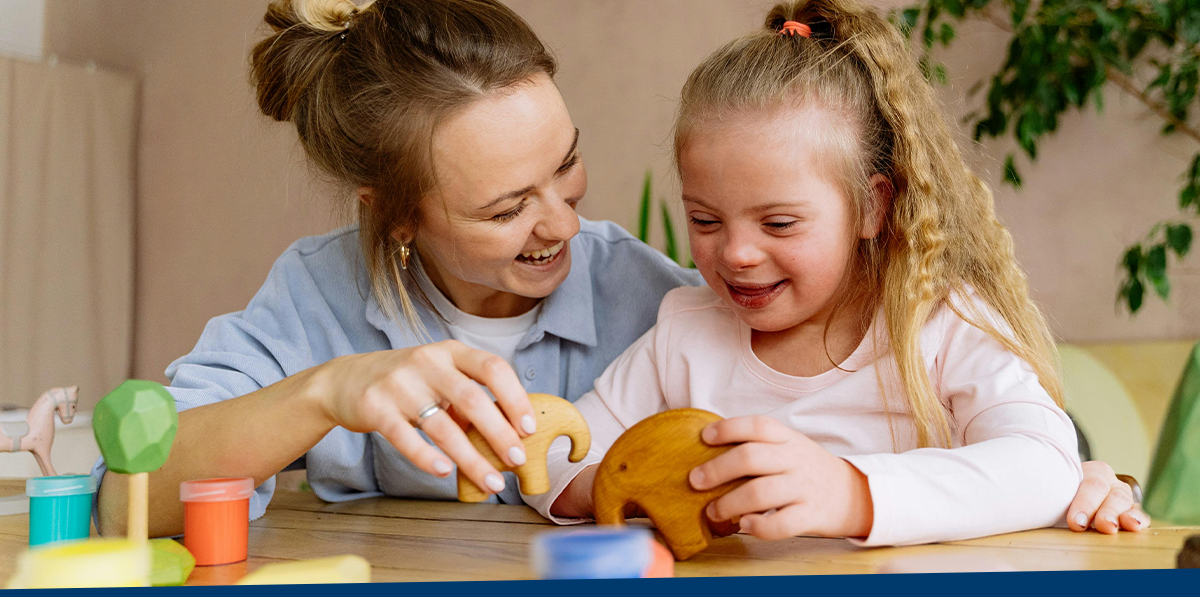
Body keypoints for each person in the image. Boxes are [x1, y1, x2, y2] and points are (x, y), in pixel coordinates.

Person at [92, 0, 1146, 538]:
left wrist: (1047, 479)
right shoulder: (687, 325)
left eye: (568, 167)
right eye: (507, 208)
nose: (561, 223)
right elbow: (573, 463)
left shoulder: (668, 298)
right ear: (398, 218)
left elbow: (1021, 451)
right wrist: (333, 393)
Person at [537, 0, 1148, 544]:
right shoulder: (686, 331)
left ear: (872, 207)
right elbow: (555, 459)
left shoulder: (940, 325)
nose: (736, 254)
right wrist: (633, 485)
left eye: (778, 224)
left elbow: (1044, 465)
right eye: (705, 220)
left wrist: (850, 492)